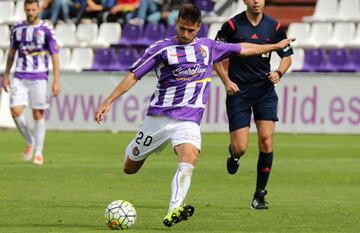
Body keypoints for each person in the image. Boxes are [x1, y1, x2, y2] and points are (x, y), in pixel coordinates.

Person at [95, 3, 294, 227]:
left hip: (188, 119)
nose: (185, 34)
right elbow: (134, 76)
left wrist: (275, 46)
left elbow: (244, 48)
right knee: (130, 168)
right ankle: (135, 149)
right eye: (182, 29)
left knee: (189, 157)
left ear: (199, 27)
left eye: (190, 30)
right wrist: (109, 100)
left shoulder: (208, 47)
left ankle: (174, 209)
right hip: (158, 119)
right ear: (176, 25)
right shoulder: (162, 49)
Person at [214, 0, 293, 209]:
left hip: (264, 90)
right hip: (238, 92)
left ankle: (259, 195)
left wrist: (278, 72)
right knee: (241, 148)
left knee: (266, 141)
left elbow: (287, 56)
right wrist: (226, 81)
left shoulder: (274, 27)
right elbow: (216, 56)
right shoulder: (232, 26)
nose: (256, 1)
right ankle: (234, 154)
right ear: (244, 1)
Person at [1, 0, 60, 166]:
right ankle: (30, 141)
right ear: (24, 9)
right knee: (15, 111)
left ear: (39, 9)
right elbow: (11, 52)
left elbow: (55, 55)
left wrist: (56, 80)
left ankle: (39, 153)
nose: (31, 12)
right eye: (28, 9)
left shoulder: (47, 29)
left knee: (38, 114)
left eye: (33, 9)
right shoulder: (17, 29)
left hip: (39, 77)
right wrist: (6, 75)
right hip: (20, 75)